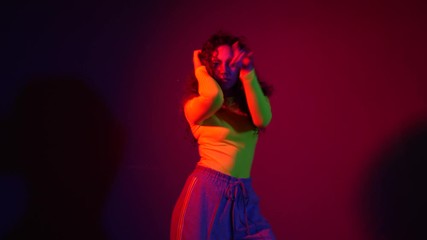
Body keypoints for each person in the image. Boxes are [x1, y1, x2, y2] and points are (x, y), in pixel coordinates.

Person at [171, 32, 275, 240]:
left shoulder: (249, 103)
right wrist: (200, 69)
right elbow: (213, 97)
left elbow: (263, 119)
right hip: (206, 192)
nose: (224, 70)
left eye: (230, 63)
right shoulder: (195, 105)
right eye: (216, 63)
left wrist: (248, 73)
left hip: (242, 193)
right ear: (207, 66)